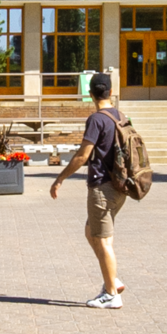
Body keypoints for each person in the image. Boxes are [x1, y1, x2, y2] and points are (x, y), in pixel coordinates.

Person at [51, 71, 129, 308]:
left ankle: (111, 294)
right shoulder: (120, 116)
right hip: (119, 186)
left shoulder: (96, 119)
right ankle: (112, 278)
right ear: (111, 92)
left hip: (102, 188)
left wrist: (60, 178)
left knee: (103, 240)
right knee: (91, 232)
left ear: (90, 94)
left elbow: (83, 155)